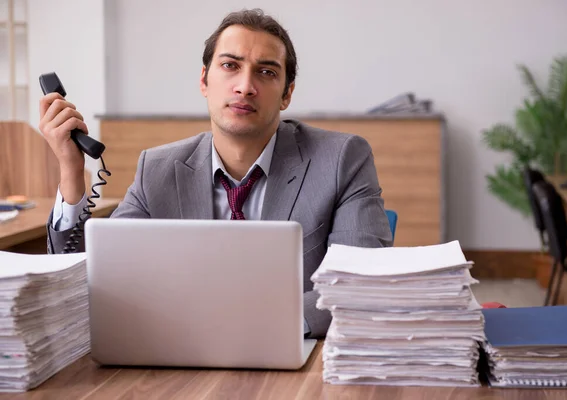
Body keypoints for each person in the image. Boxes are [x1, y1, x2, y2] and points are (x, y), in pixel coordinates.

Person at [39, 8, 392, 338]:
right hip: (183, 355)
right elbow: (97, 279)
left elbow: (359, 285)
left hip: (293, 357)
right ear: (205, 81)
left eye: (266, 72)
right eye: (230, 66)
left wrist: (253, 327)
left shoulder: (341, 159)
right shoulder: (158, 170)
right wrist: (71, 170)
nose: (245, 86)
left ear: (287, 95)